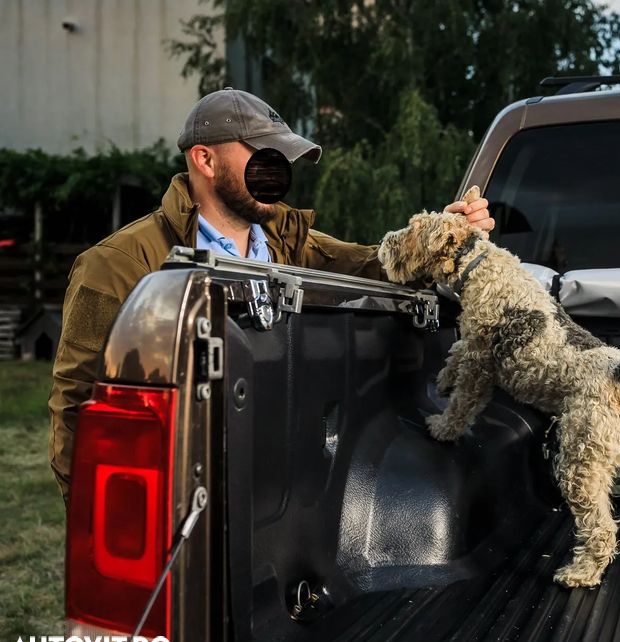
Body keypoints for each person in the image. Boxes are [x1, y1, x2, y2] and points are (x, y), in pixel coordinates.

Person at [48, 88, 494, 501]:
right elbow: (76, 402)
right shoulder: (116, 264)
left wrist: (445, 234)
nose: (279, 171)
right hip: (180, 492)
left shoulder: (290, 242)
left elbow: (379, 266)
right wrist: (96, 513)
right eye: (265, 156)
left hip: (276, 486)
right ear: (204, 159)